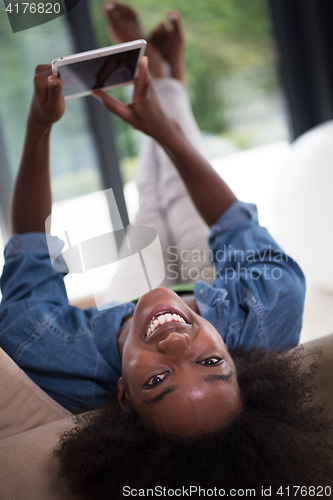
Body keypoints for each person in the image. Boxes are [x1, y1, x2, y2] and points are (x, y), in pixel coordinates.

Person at [0, 2, 332, 497]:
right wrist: (163, 131)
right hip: (218, 289)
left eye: (157, 382)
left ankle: (158, 77)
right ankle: (166, 82)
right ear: (236, 360)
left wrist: (39, 127)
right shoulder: (268, 309)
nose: (178, 347)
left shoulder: (49, 353)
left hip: (130, 305)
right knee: (178, 191)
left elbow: (27, 251)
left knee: (152, 205)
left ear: (123, 397)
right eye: (210, 365)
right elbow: (231, 220)